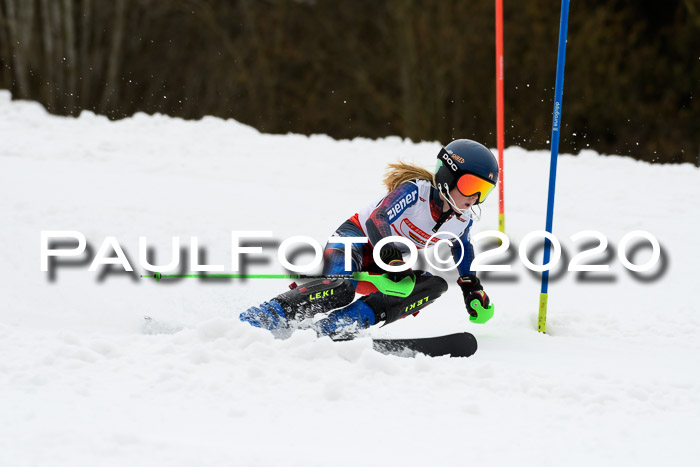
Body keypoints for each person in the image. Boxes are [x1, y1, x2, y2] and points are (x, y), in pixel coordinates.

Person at [239, 139, 497, 337]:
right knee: (340, 289)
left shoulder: (461, 220)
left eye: (483, 191)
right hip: (353, 241)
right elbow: (378, 219)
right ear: (447, 175)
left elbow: (461, 247)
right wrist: (392, 259)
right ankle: (268, 314)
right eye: (469, 186)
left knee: (434, 285)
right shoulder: (416, 191)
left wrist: (471, 286)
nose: (474, 198)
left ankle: (338, 325)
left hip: (383, 262)